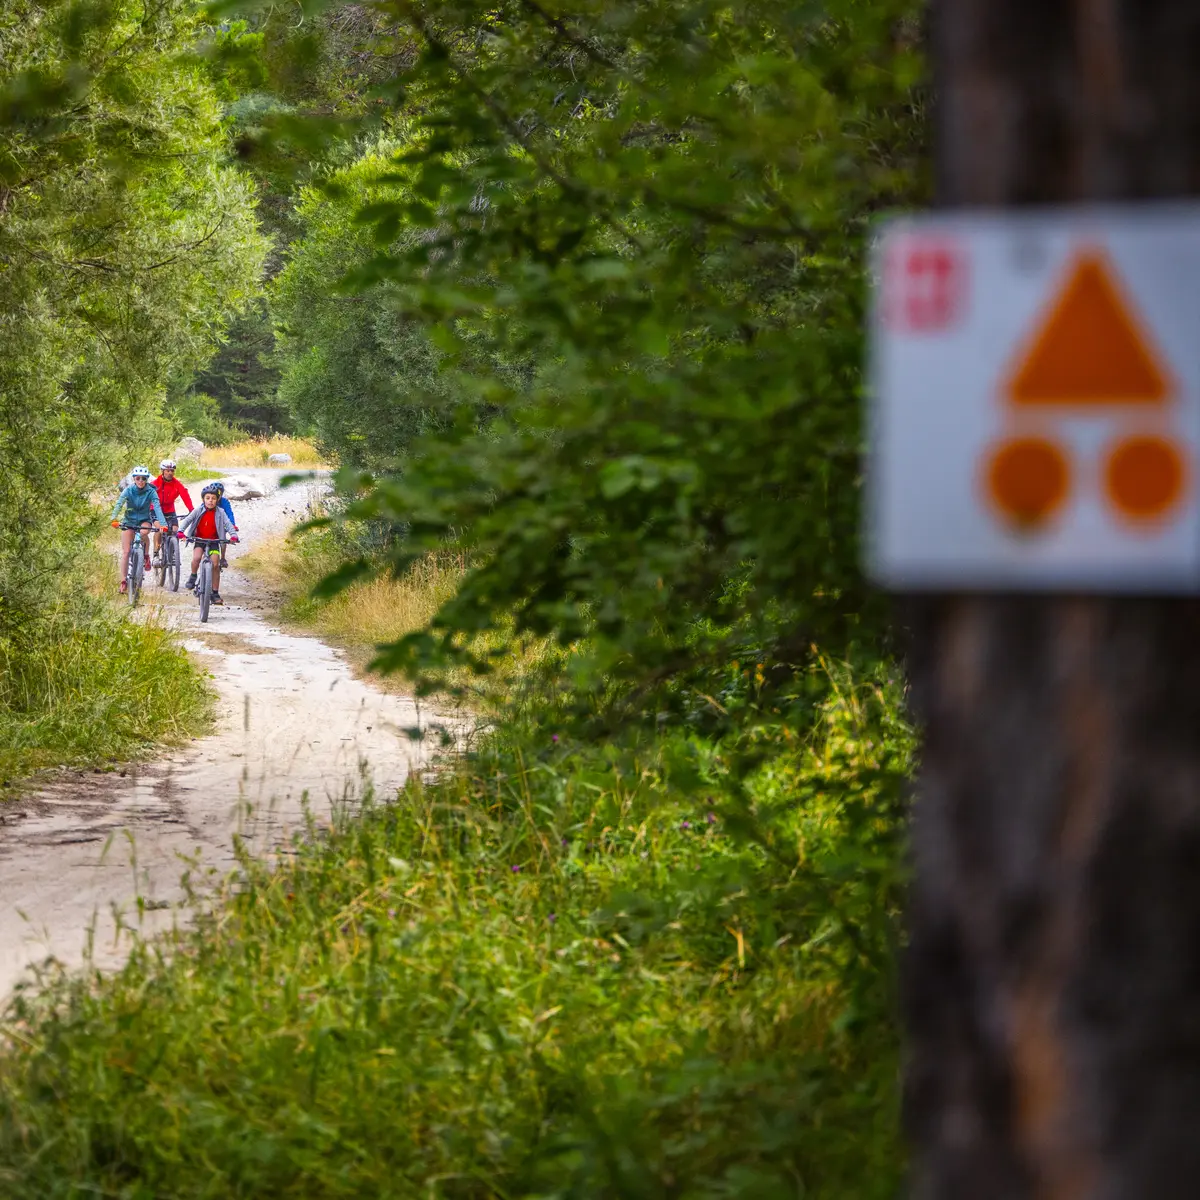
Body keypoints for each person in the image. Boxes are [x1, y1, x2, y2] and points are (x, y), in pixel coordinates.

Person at [110, 466, 167, 595]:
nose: (141, 481)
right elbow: (119, 504)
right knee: (126, 552)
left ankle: (145, 556)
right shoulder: (128, 490)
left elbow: (157, 507)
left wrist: (163, 524)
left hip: (144, 520)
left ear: (147, 479)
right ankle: (123, 581)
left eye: (143, 479)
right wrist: (113, 519)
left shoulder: (151, 491)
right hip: (129, 521)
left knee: (143, 532)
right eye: (138, 478)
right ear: (134, 479)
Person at [178, 485, 237, 605]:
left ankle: (215, 593)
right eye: (208, 498)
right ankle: (193, 576)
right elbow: (188, 520)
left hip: (214, 541)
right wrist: (180, 531)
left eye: (213, 498)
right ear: (203, 499)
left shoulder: (221, 512)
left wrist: (233, 535)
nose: (210, 501)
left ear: (217, 500)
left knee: (215, 564)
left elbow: (228, 524)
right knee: (196, 558)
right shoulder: (198, 510)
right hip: (200, 540)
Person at [151, 458, 193, 561]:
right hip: (155, 510)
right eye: (167, 471)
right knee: (160, 529)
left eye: (172, 471)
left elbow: (185, 495)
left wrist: (191, 510)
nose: (170, 473)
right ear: (163, 471)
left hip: (169, 510)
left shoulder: (176, 483)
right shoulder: (155, 483)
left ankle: (173, 553)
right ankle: (156, 554)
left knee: (174, 530)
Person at [211, 480, 239, 568]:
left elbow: (229, 513)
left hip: (222, 523)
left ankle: (222, 558)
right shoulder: (208, 501)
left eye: (218, 494)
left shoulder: (224, 502)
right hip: (209, 523)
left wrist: (232, 525)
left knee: (222, 539)